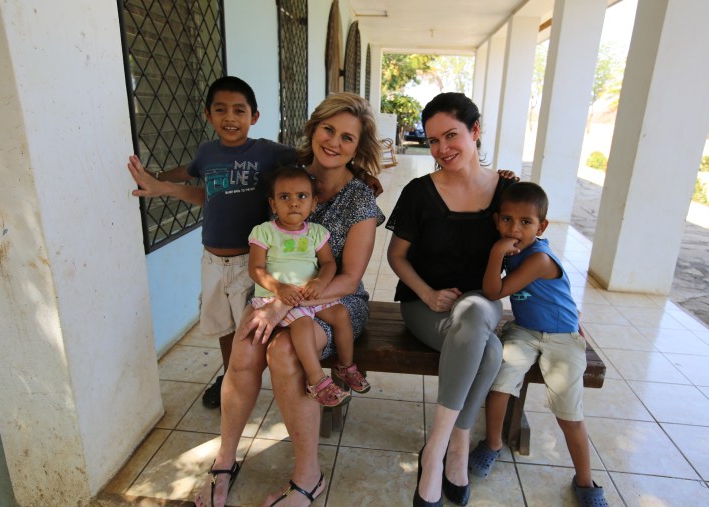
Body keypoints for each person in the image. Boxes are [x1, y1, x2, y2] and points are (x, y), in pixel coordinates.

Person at [194, 92, 384, 507]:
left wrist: (288, 303)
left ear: (358, 147)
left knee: (283, 351)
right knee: (244, 349)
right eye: (328, 129)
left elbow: (349, 278)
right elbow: (224, 175)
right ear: (314, 128)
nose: (334, 142)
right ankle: (224, 462)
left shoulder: (360, 199)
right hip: (273, 291)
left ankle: (308, 477)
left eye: (347, 138)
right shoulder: (286, 174)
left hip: (335, 303)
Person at [127, 76, 297, 409]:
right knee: (224, 326)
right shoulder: (206, 152)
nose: (230, 118)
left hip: (252, 262)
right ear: (207, 115)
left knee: (253, 325)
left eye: (239, 110)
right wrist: (157, 180)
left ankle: (262, 374)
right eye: (221, 110)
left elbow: (312, 158)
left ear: (254, 116)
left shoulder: (267, 152)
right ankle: (230, 375)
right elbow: (196, 181)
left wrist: (356, 168)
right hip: (212, 261)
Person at [386, 92, 517, 507]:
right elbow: (397, 255)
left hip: (483, 301)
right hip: (424, 307)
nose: (442, 150)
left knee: (477, 312)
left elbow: (533, 252)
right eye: (433, 140)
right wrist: (426, 292)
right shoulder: (419, 192)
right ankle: (458, 447)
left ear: (475, 131)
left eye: (451, 136)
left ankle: (436, 450)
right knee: (491, 351)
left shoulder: (508, 193)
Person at [480, 182, 608, 507]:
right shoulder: (513, 250)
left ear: (542, 226)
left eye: (526, 222)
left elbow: (495, 292)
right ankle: (493, 443)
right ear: (496, 220)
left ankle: (585, 481)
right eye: (507, 219)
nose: (515, 229)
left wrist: (495, 252)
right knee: (500, 383)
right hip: (524, 330)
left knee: (568, 412)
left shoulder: (538, 258)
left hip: (562, 338)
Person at [248, 165, 370, 408]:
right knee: (303, 323)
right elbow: (256, 269)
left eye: (301, 196)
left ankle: (346, 366)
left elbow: (327, 264)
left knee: (341, 314)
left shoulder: (316, 232)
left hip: (310, 294)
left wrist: (320, 282)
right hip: (276, 297)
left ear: (314, 203)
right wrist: (278, 287)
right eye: (285, 197)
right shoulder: (264, 232)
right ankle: (317, 381)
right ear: (273, 205)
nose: (294, 203)